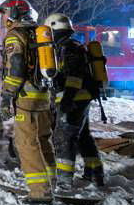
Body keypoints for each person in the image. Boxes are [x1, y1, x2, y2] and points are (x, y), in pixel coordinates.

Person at [0, 0, 56, 205]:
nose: (3, 18)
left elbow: (16, 69)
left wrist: (6, 97)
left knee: (26, 144)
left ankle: (40, 193)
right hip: (43, 96)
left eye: (4, 13)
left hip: (26, 99)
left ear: (14, 13)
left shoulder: (15, 36)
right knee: (43, 140)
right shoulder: (37, 33)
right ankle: (51, 184)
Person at [44, 13, 104, 188]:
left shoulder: (68, 48)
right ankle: (94, 172)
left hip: (73, 99)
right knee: (83, 137)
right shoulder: (71, 46)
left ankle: (64, 181)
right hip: (81, 98)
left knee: (64, 138)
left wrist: (67, 99)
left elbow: (74, 76)